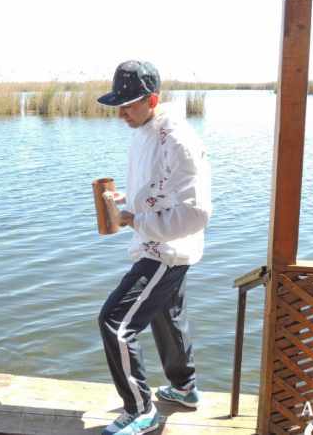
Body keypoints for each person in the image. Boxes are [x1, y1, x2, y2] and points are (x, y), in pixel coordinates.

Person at [96, 60, 212, 435]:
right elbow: (157, 188)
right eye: (119, 106)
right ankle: (184, 389)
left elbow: (196, 214)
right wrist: (125, 200)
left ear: (153, 100)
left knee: (114, 324)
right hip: (156, 240)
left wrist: (137, 221)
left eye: (128, 106)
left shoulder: (179, 141)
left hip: (165, 249)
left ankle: (141, 410)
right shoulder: (145, 130)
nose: (122, 114)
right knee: (166, 316)